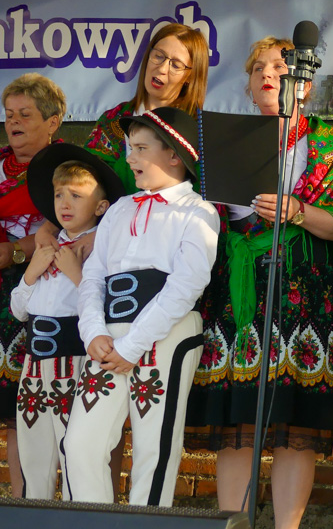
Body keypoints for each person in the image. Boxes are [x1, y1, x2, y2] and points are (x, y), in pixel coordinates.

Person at [186, 36, 333, 529]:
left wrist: (299, 212)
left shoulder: (331, 145)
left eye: (282, 66)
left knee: (295, 425)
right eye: (258, 67)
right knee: (237, 422)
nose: (270, 73)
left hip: (305, 295)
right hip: (234, 293)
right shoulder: (219, 141)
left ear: (304, 85)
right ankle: (232, 525)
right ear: (246, 87)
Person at [63, 107, 219, 506]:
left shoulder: (197, 211)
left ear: (174, 155)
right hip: (108, 337)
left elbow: (186, 285)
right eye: (129, 147)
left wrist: (134, 344)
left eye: (140, 148)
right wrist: (94, 331)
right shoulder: (119, 209)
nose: (129, 157)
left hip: (166, 334)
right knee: (79, 443)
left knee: (155, 449)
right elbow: (94, 275)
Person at [11, 144, 125, 499]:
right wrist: (31, 272)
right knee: (34, 452)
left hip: (74, 363)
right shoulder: (46, 247)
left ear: (101, 207)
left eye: (76, 195)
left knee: (73, 450)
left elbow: (104, 309)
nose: (65, 203)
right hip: (34, 365)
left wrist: (78, 276)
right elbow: (18, 310)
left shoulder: (100, 252)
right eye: (59, 194)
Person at [0, 72, 67, 497]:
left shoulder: (68, 169)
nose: (14, 122)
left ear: (53, 121)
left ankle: (44, 506)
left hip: (45, 296)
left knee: (30, 410)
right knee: (7, 411)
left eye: (26, 114)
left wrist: (16, 252)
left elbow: (69, 224)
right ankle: (20, 504)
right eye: (9, 115)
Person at [82, 22, 209, 195]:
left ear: (190, 76)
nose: (162, 68)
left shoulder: (199, 132)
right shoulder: (113, 120)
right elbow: (85, 183)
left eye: (176, 65)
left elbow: (212, 201)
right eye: (159, 56)